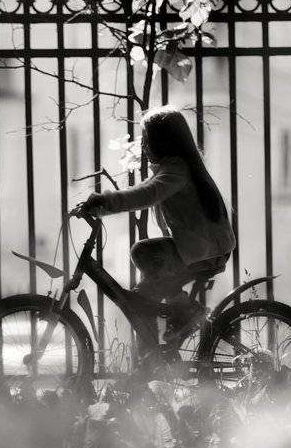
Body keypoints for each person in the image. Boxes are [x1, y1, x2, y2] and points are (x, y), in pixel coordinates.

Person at [74, 105, 235, 340]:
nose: (143, 146)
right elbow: (146, 189)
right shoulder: (173, 168)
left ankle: (185, 312)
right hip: (203, 248)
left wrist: (104, 201)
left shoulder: (177, 170)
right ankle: (166, 335)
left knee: (143, 253)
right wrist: (104, 205)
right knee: (147, 287)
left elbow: (147, 194)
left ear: (163, 142)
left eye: (147, 140)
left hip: (208, 251)